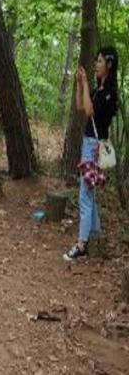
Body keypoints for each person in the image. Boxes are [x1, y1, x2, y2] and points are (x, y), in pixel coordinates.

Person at [64, 46, 119, 261]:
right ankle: (95, 234)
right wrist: (80, 84)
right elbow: (81, 105)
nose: (96, 64)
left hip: (94, 146)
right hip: (89, 143)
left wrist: (86, 83)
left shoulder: (109, 93)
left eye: (100, 61)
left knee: (85, 195)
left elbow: (90, 111)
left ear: (109, 65)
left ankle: (82, 244)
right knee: (90, 193)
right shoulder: (98, 90)